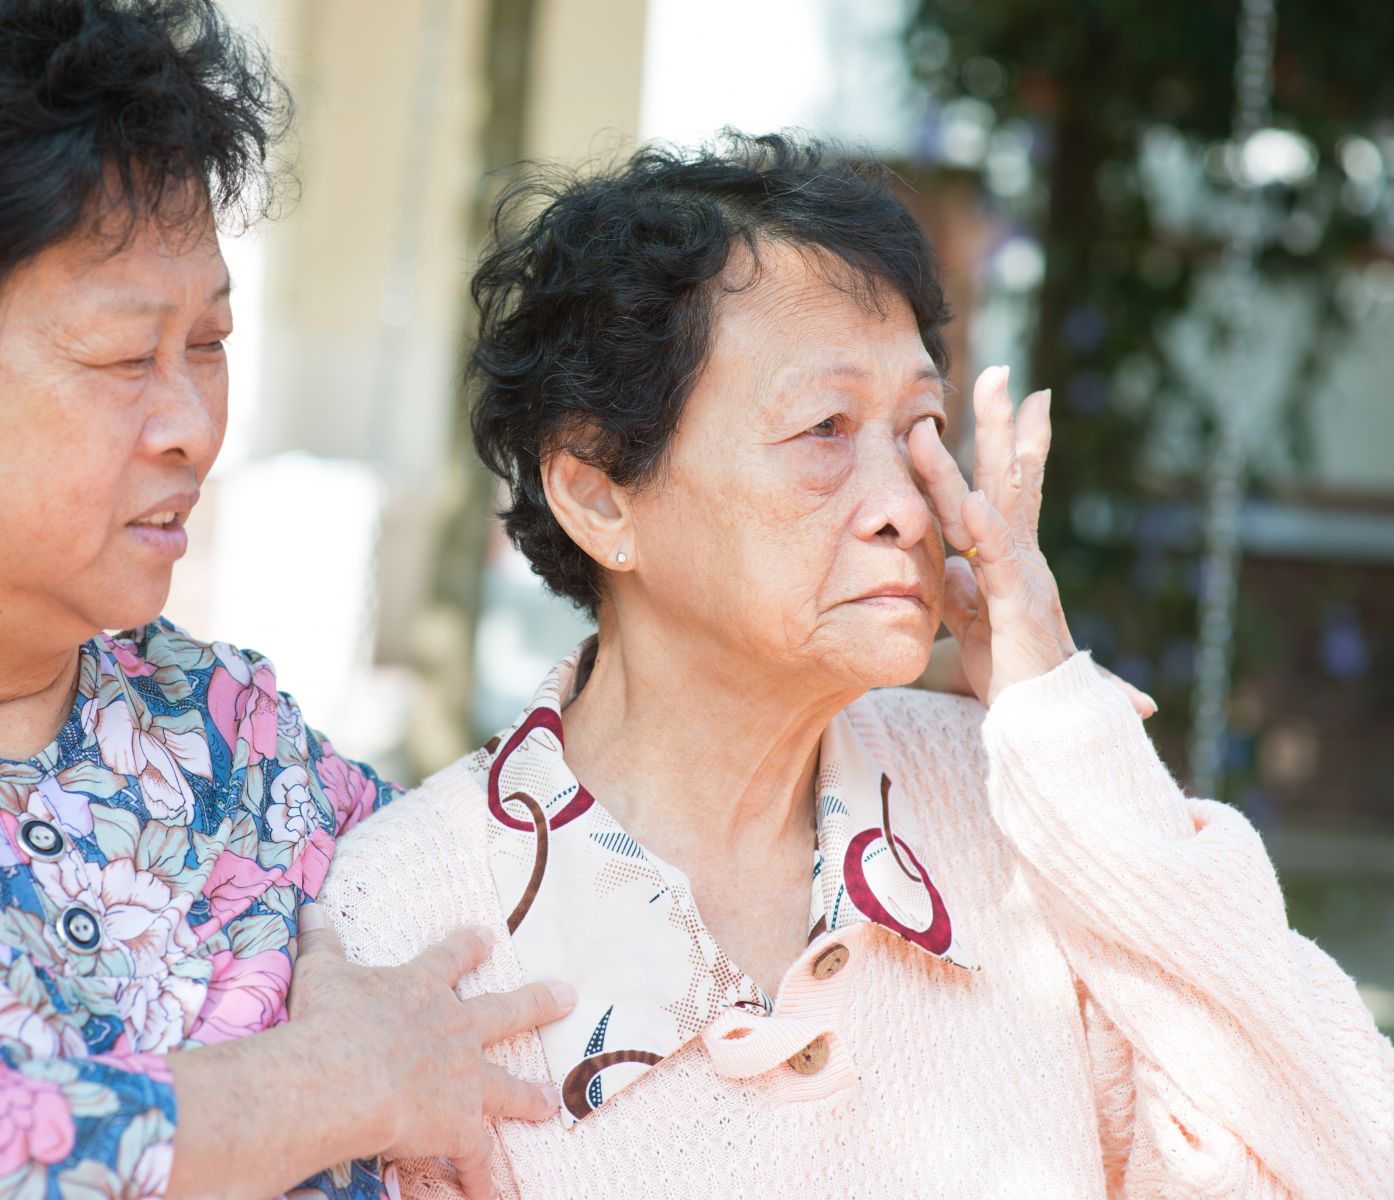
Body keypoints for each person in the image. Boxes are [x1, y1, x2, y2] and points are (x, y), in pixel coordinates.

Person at [320, 133, 1394, 1199]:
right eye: (826, 428)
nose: (905, 508)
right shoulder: (415, 924)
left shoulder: (1012, 808)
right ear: (599, 495)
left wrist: (1066, 731)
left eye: (921, 428)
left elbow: (1337, 1158)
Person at [0, 3, 576, 1198]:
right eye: (125, 357)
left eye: (209, 343)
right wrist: (331, 1085)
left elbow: (536, 905)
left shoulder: (230, 734)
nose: (191, 426)